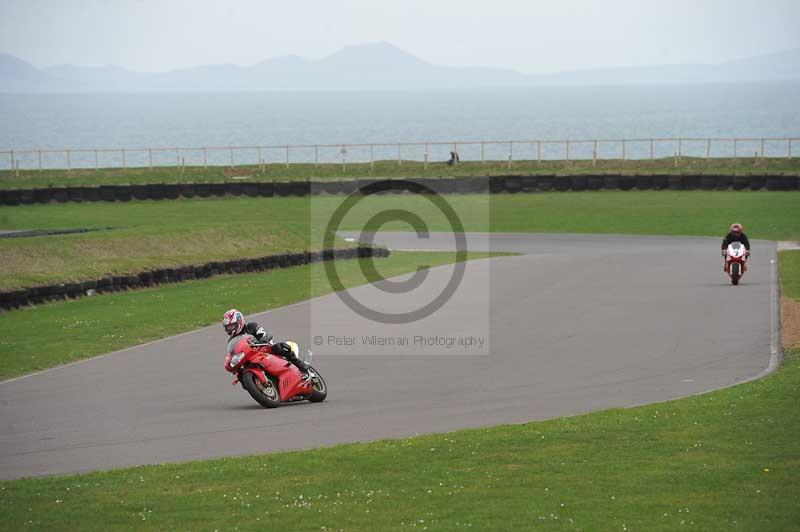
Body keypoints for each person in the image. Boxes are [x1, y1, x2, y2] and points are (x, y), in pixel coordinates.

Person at [222, 308, 310, 376]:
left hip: (264, 348)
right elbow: (232, 353)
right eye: (228, 327)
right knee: (240, 374)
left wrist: (263, 339)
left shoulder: (251, 326)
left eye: (232, 326)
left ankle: (300, 365)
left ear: (239, 322)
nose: (230, 329)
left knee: (279, 347)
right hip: (249, 357)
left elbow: (265, 334)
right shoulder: (232, 340)